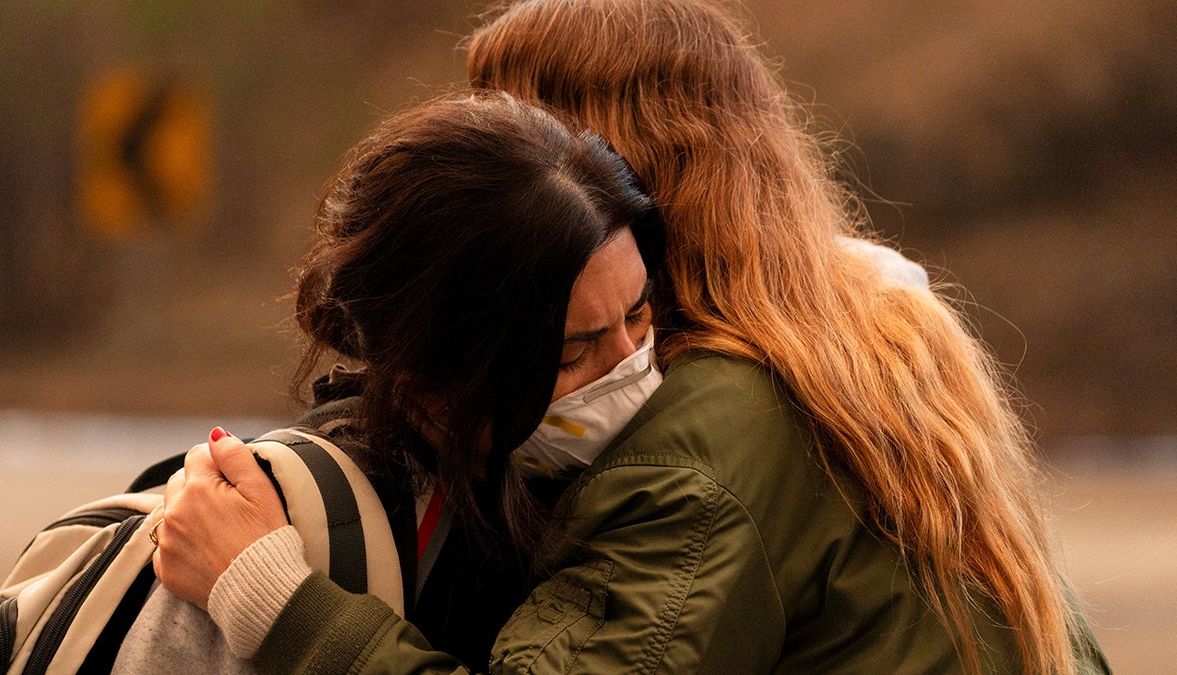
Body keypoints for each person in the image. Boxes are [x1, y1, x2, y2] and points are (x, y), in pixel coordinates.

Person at [157, 0, 1111, 672]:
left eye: (506, 133)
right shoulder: (861, 334)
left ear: (597, 167)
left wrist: (270, 595)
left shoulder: (703, 442)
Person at [131, 89, 664, 672]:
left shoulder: (543, 483)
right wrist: (268, 591)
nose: (629, 366)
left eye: (638, 315)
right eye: (568, 357)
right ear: (432, 375)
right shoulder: (310, 526)